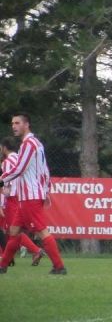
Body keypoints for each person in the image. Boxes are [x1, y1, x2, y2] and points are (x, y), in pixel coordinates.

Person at [0, 112, 66, 275]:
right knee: (14, 231)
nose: (14, 126)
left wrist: (1, 179)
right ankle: (3, 266)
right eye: (12, 123)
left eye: (17, 123)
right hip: (27, 196)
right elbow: (44, 170)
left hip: (30, 196)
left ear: (26, 124)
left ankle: (59, 267)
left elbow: (20, 169)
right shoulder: (36, 144)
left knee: (42, 231)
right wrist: (46, 190)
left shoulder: (28, 144)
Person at [1, 136, 46, 267]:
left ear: (4, 148)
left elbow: (7, 182)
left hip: (12, 198)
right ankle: (8, 257)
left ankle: (35, 250)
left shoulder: (7, 162)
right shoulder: (19, 158)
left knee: (13, 230)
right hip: (22, 195)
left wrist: (2, 199)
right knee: (12, 230)